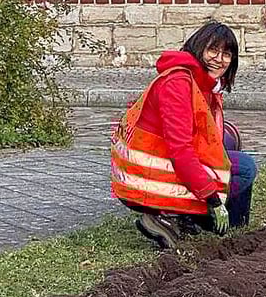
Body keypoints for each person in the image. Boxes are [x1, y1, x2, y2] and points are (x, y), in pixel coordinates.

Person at [110, 22, 257, 249]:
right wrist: (212, 199)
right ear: (197, 49)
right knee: (244, 167)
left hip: (150, 167)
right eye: (212, 51)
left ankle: (215, 222)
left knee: (229, 145)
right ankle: (171, 216)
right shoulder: (178, 84)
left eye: (226, 54)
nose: (219, 59)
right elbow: (180, 150)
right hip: (143, 178)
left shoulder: (201, 83)